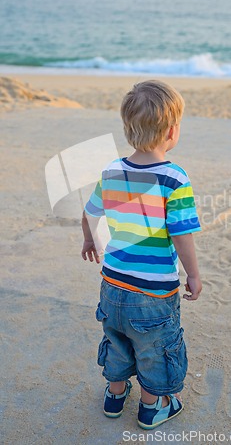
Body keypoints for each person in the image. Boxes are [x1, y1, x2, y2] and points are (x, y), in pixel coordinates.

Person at [81, 80, 202, 429]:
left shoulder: (111, 171)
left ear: (128, 128)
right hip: (153, 291)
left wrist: (90, 240)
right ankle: (152, 407)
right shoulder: (173, 178)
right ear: (172, 131)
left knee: (116, 337)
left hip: (112, 283)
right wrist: (192, 274)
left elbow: (89, 213)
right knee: (154, 346)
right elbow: (181, 235)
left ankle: (115, 395)